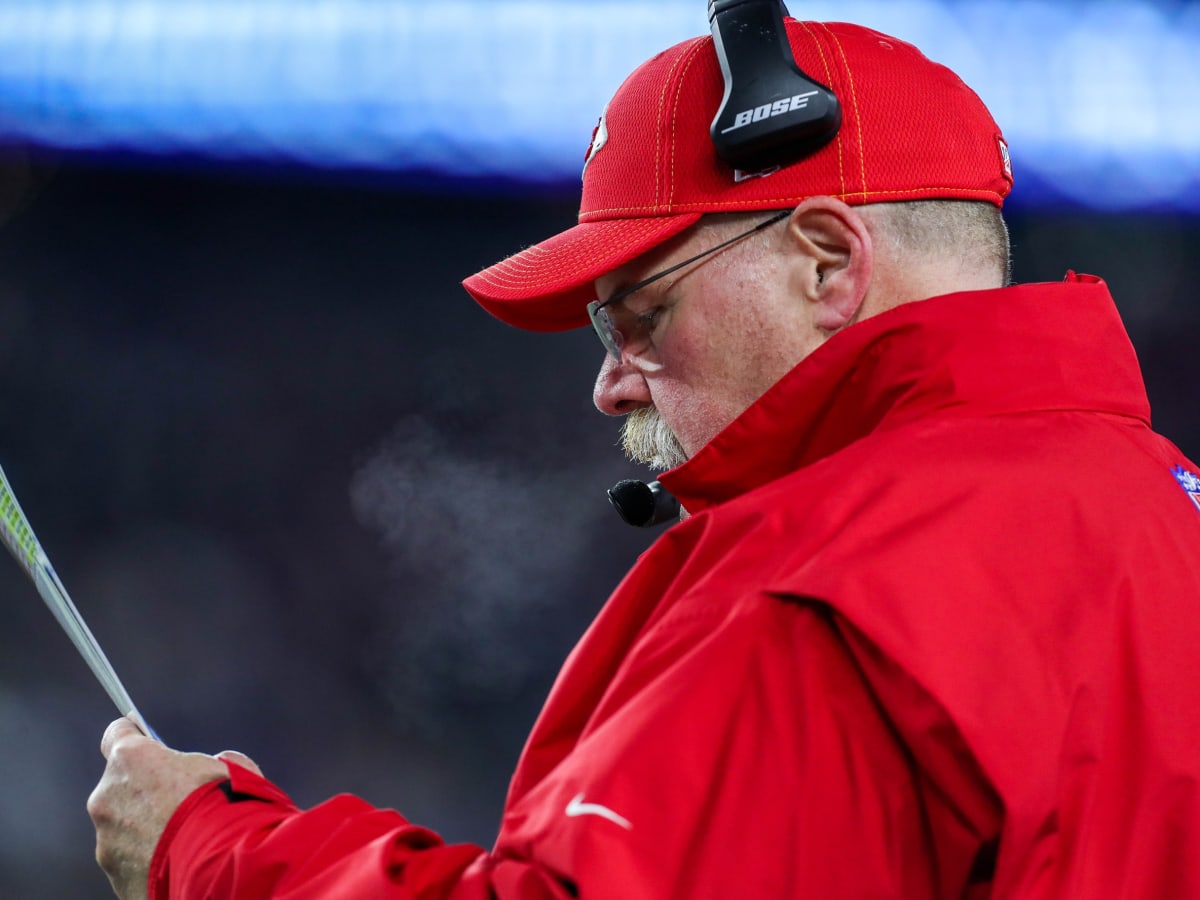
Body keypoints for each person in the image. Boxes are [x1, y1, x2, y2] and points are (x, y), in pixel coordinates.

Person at [88, 14, 1200, 900]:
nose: (611, 382)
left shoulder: (828, 585)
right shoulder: (1163, 506)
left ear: (825, 264)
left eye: (639, 315)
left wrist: (209, 854)